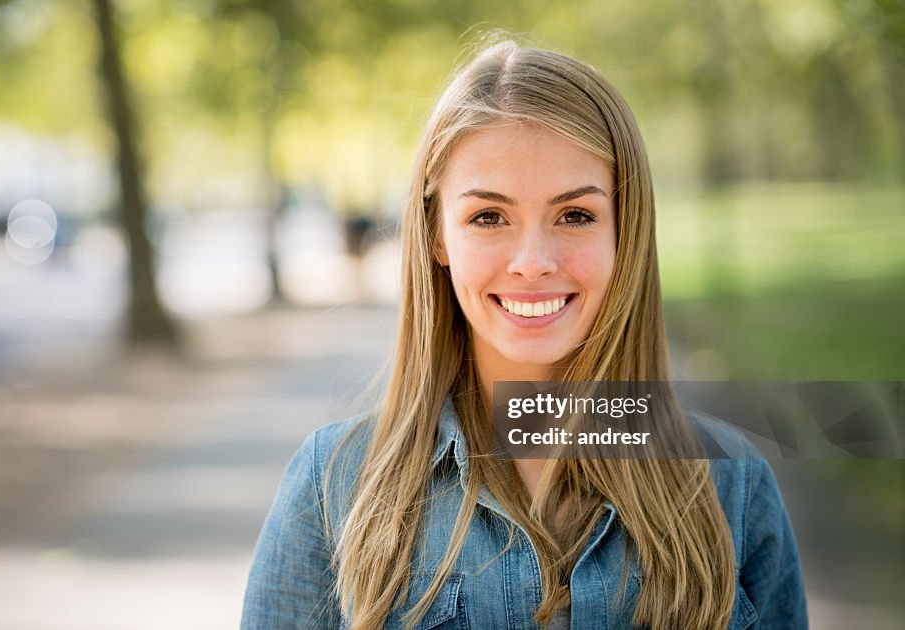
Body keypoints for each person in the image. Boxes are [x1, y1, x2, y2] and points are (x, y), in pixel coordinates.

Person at [241, 40, 807, 629]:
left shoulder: (732, 486)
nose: (532, 261)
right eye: (488, 217)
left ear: (625, 230)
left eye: (576, 215)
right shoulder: (332, 484)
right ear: (437, 235)